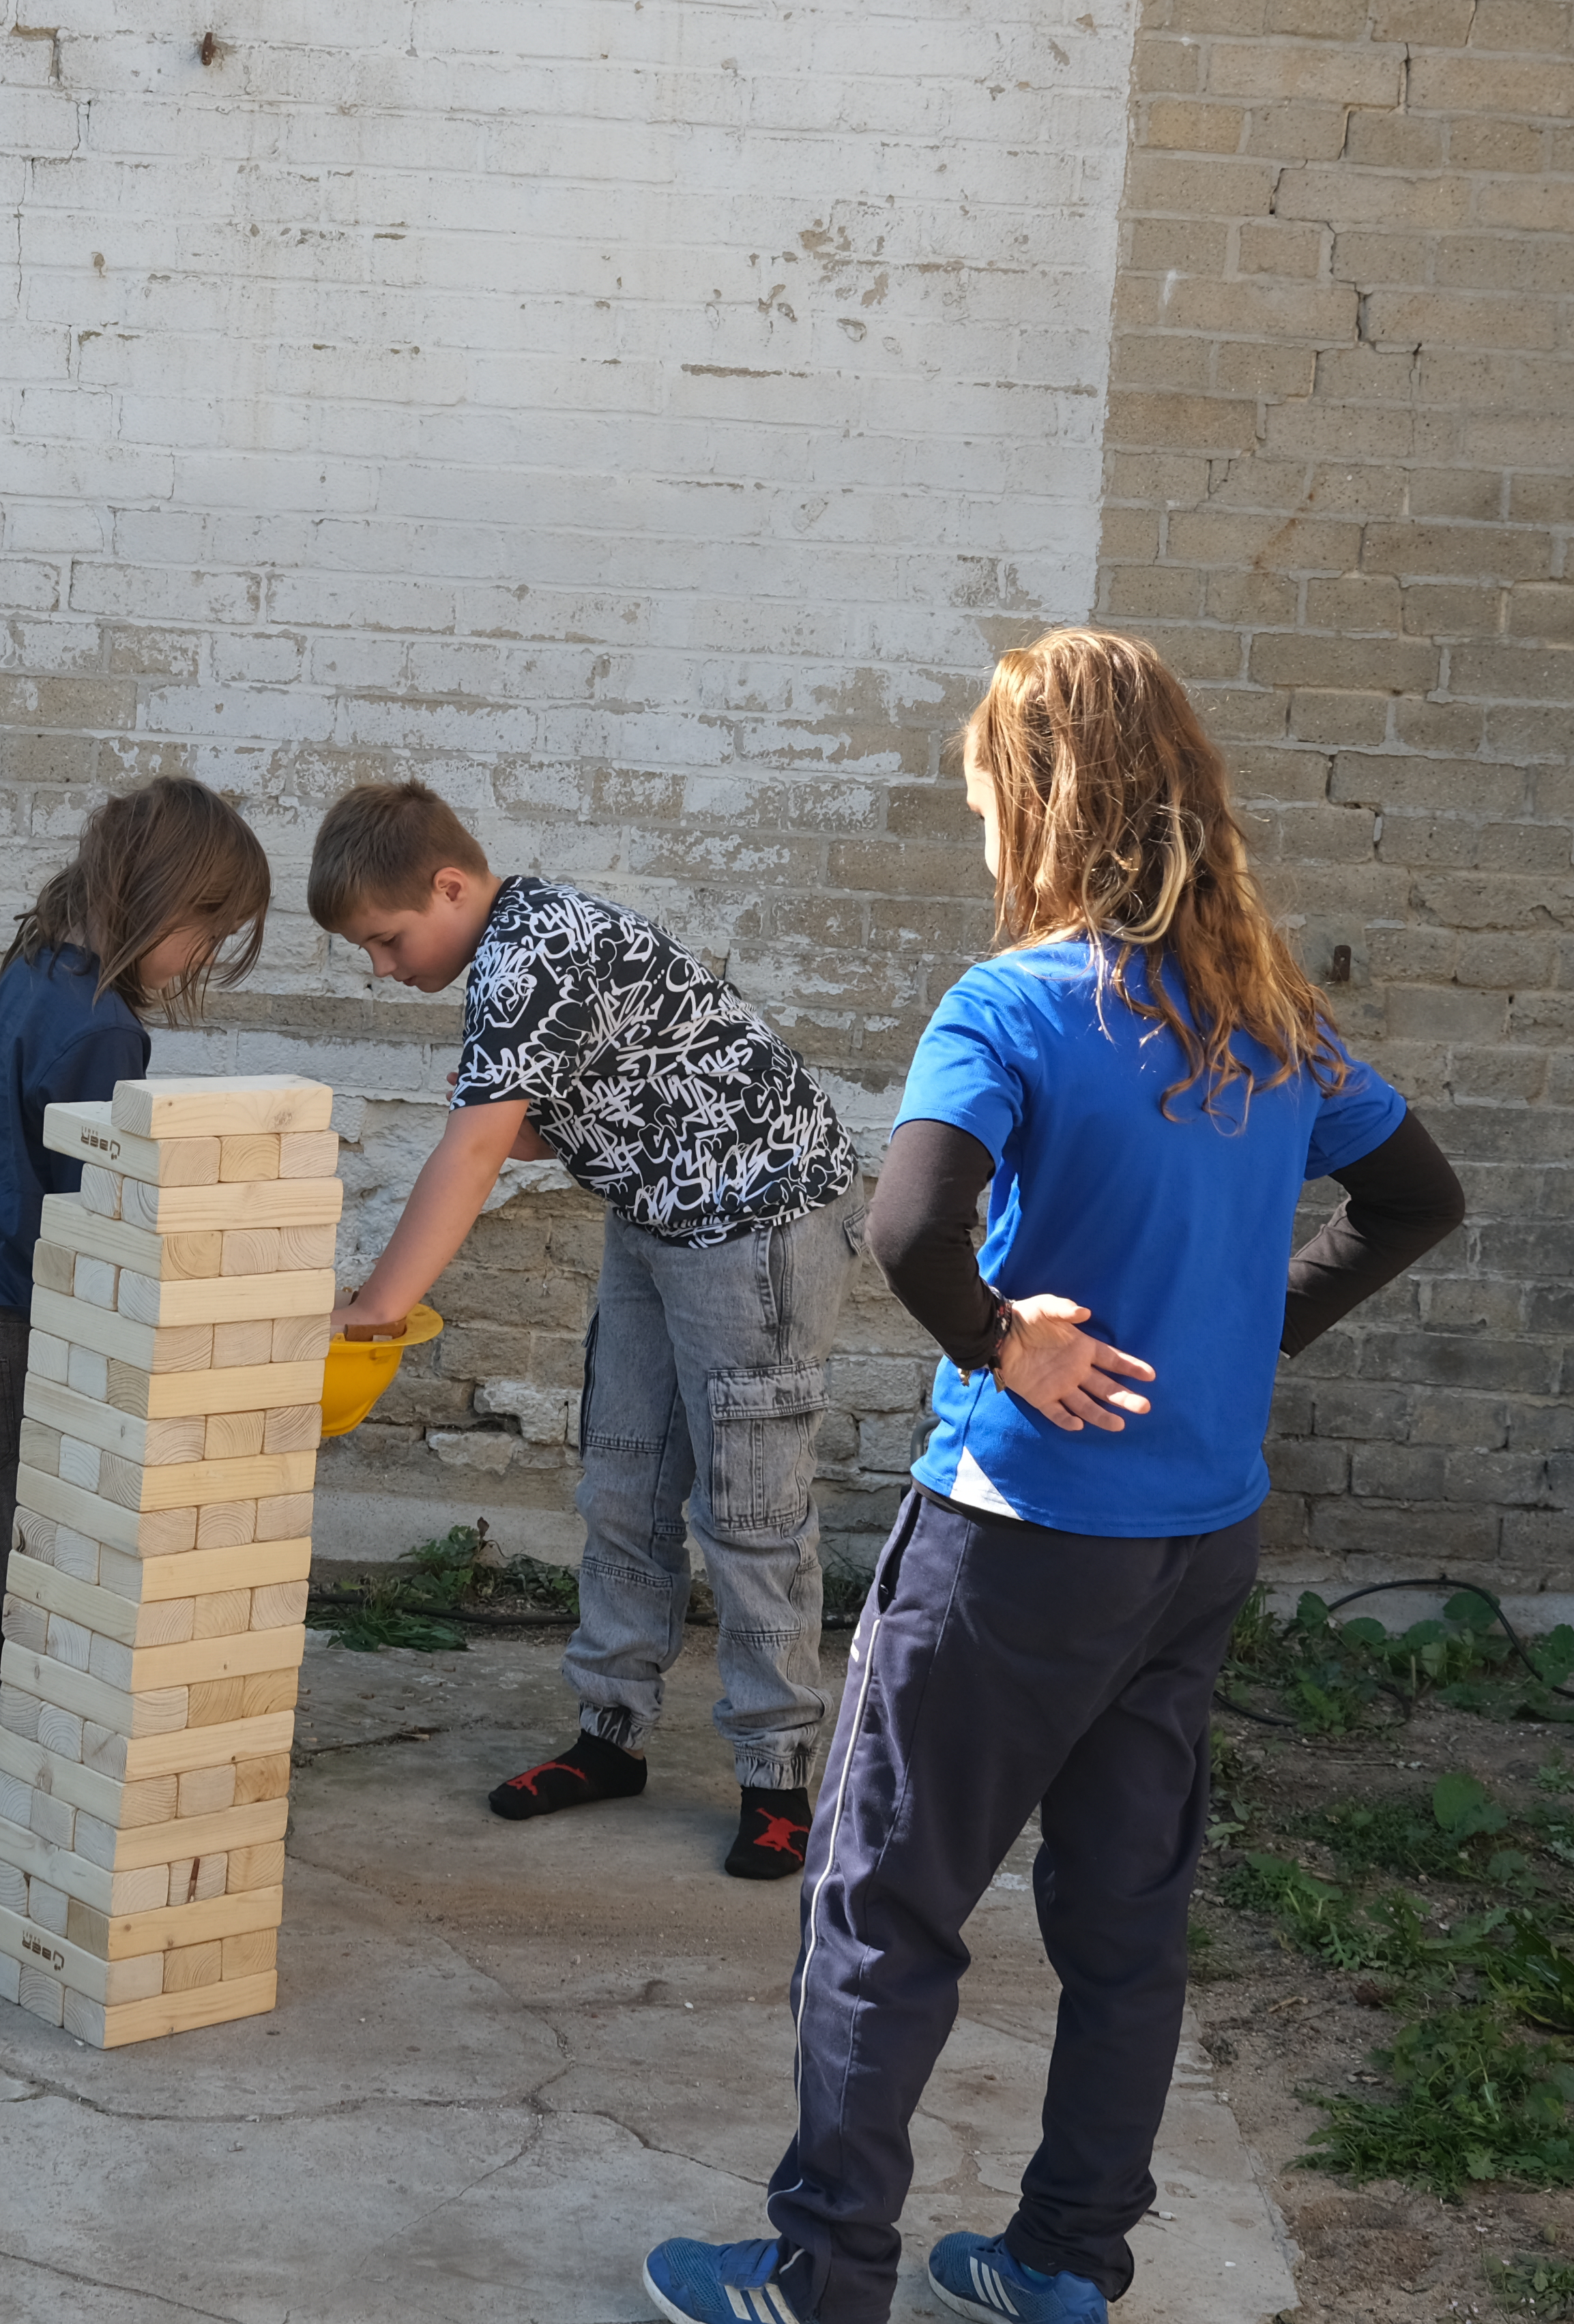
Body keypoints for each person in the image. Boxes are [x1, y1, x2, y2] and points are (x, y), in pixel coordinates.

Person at [641, 629, 1469, 2324]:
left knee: (882, 1906)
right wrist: (1251, 1343)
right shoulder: (1271, 1018)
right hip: (1196, 1542)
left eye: (982, 800)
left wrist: (1002, 1342)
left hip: (1018, 1546)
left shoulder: (1011, 1002)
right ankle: (1066, 2265)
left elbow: (905, 1228)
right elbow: (1419, 1200)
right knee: (1123, 1918)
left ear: (1039, 801)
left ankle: (823, 2278)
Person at [311, 780, 863, 1882]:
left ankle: (777, 1779)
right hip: (656, 1217)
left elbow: (474, 1155)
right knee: (621, 1482)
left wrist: (371, 1309)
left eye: (386, 939)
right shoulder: (513, 952)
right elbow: (531, 1125)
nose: (383, 967)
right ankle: (609, 1738)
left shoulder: (534, 948)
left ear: (450, 885)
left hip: (756, 1226)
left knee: (747, 1510)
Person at [0, 776, 274, 1876]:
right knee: (51, 1583)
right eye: (206, 929)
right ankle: (77, 1837)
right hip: (1, 1323)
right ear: (161, 900)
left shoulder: (35, 971)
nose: (198, 956)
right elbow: (88, 1215)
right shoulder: (103, 1036)